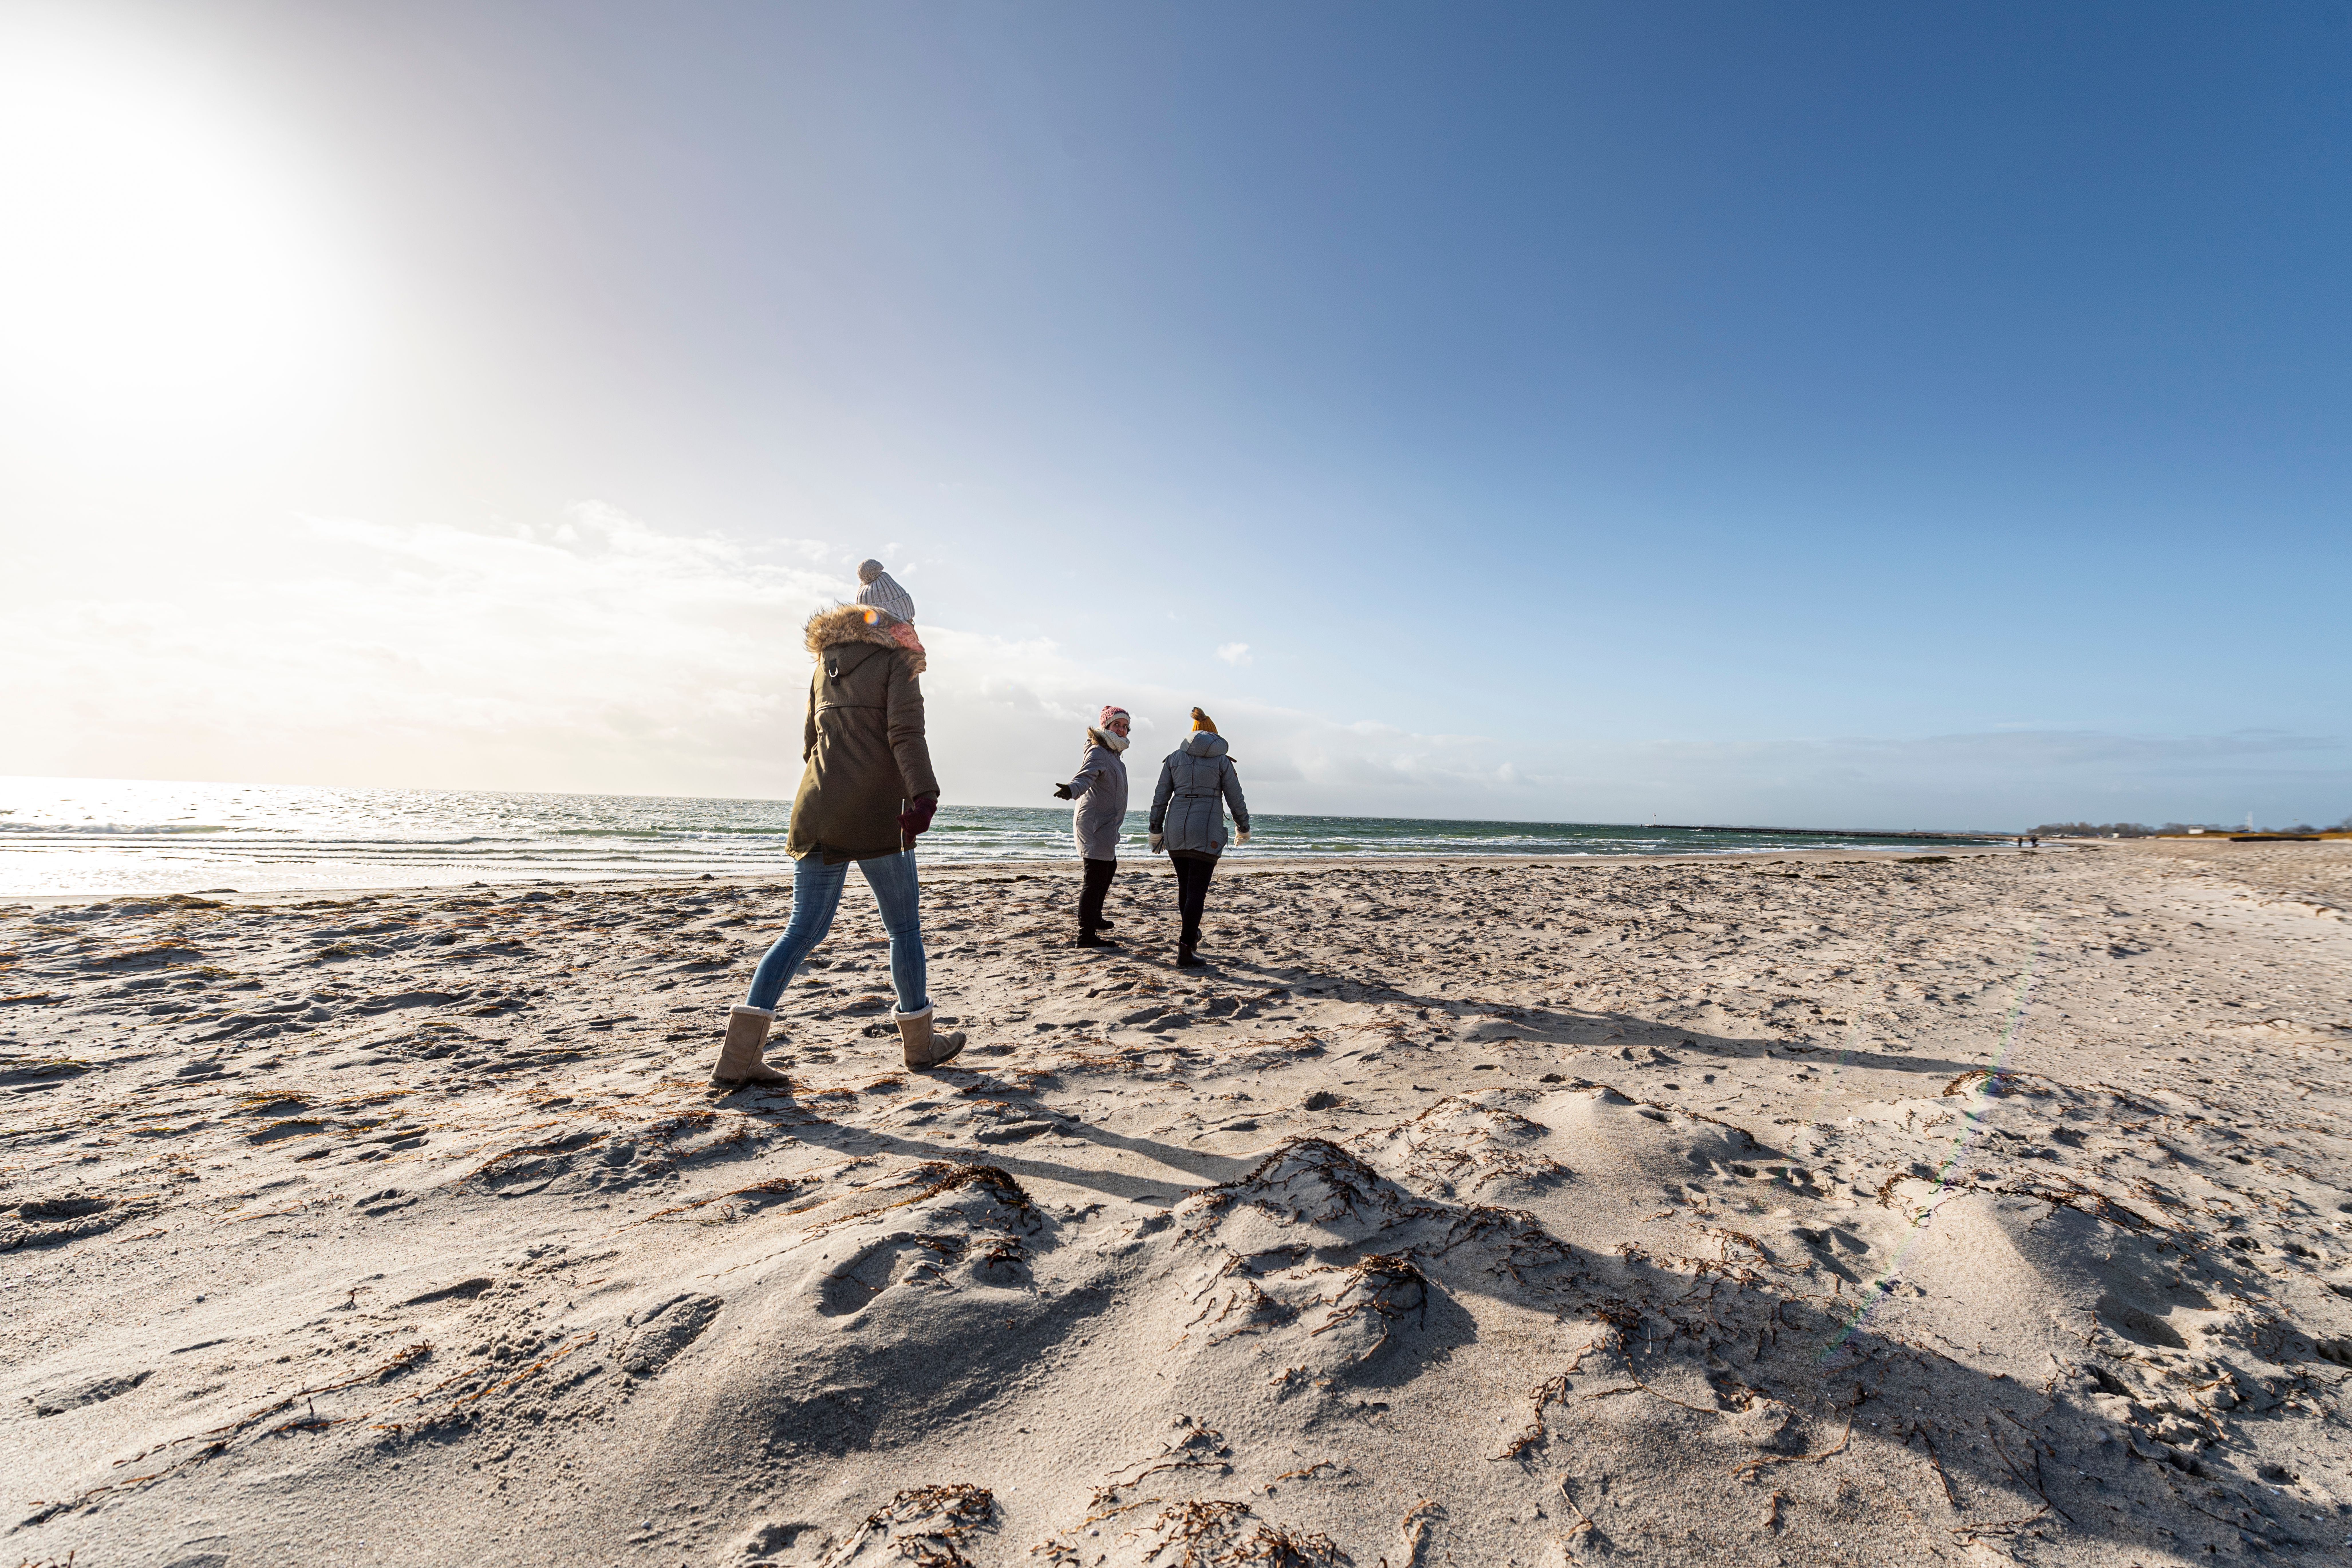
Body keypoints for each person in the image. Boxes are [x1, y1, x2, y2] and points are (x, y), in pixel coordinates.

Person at [711, 560, 967, 1084]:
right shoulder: (896, 664)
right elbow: (906, 736)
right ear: (890, 620)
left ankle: (738, 1059)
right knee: (903, 928)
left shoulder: (823, 663)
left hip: (818, 806)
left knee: (802, 929)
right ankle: (920, 1045)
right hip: (878, 813)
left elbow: (810, 741)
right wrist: (924, 795)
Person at [1148, 707, 1250, 968]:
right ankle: (1185, 948)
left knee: (1185, 886)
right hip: (1206, 829)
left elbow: (1160, 798)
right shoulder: (1222, 761)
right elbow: (1235, 798)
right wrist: (1243, 827)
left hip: (1175, 827)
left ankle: (1191, 938)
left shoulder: (1174, 758)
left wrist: (1155, 829)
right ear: (1215, 736)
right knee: (1197, 891)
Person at [1053, 705, 1131, 947]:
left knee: (1108, 869)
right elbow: (1085, 776)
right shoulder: (1098, 751)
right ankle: (1085, 935)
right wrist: (1071, 790)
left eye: (1126, 726)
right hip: (1095, 824)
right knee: (1095, 878)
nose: (1122, 729)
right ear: (1106, 726)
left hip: (1107, 825)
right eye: (1117, 724)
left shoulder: (1114, 756)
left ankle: (1094, 917)